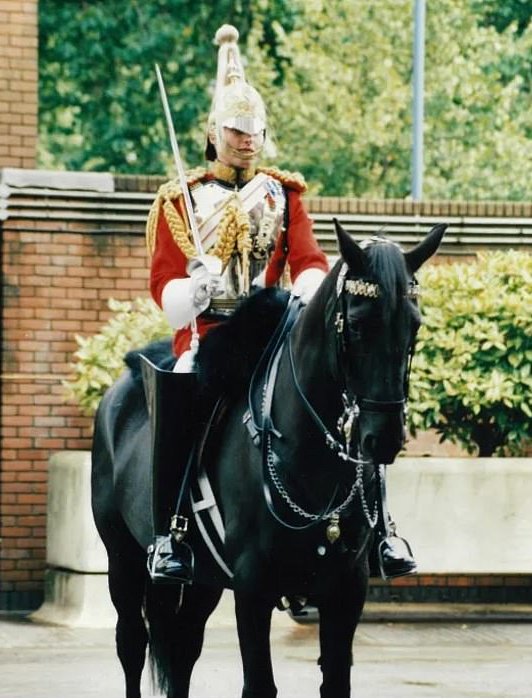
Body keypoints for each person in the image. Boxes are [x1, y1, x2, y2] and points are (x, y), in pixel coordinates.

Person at [143, 24, 415, 584]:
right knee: (180, 390)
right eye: (237, 130)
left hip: (273, 328)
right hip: (211, 335)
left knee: (348, 398)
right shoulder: (182, 199)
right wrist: (194, 290)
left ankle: (379, 527)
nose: (248, 139)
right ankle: (170, 533)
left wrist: (308, 291)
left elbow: (310, 259)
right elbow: (164, 284)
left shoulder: (282, 193)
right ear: (213, 133)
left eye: (255, 129)